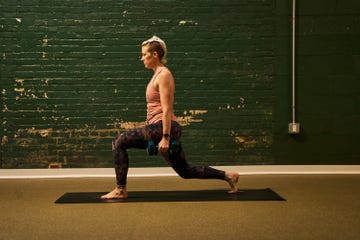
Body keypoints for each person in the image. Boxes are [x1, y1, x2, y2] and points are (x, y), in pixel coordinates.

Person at [101, 36, 239, 199]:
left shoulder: (163, 75)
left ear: (155, 55)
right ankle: (228, 175)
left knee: (119, 141)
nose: (141, 58)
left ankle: (120, 189)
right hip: (161, 127)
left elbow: (166, 109)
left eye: (144, 54)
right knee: (185, 171)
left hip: (164, 127)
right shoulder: (156, 75)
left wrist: (165, 137)